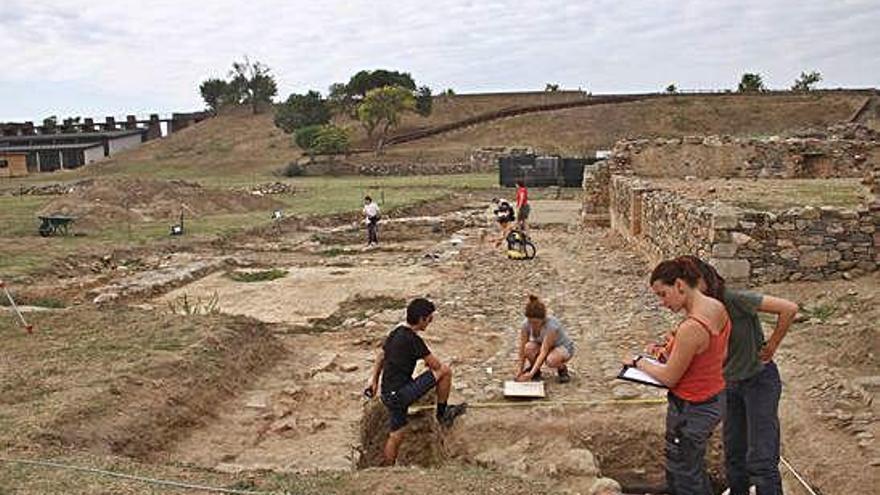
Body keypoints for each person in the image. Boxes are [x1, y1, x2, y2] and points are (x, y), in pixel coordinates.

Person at [679, 256, 797, 495]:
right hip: (729, 384)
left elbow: (789, 308)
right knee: (733, 455)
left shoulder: (734, 300)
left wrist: (772, 346)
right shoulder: (699, 311)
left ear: (701, 281)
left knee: (762, 457)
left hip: (758, 380)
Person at [627, 257, 731, 495]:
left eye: (663, 294)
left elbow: (669, 378)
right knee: (691, 466)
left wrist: (638, 362)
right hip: (713, 398)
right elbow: (720, 353)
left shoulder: (691, 327)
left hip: (691, 408)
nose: (663, 303)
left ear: (680, 286)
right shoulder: (717, 308)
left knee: (683, 470)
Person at [366, 298, 467, 464]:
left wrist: (374, 380)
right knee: (445, 372)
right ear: (421, 319)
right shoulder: (414, 340)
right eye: (430, 319)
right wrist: (427, 360)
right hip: (400, 395)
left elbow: (381, 356)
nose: (430, 322)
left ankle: (386, 470)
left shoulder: (396, 332)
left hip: (388, 393)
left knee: (397, 434)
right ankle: (443, 414)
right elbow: (437, 366)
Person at [515, 295, 575, 383]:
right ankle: (536, 371)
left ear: (542, 319)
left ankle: (562, 369)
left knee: (551, 361)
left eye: (535, 322)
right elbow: (522, 347)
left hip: (562, 347)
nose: (532, 325)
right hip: (543, 344)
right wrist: (519, 370)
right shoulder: (526, 324)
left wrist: (530, 374)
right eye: (530, 322)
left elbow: (544, 351)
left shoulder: (551, 327)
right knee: (528, 348)